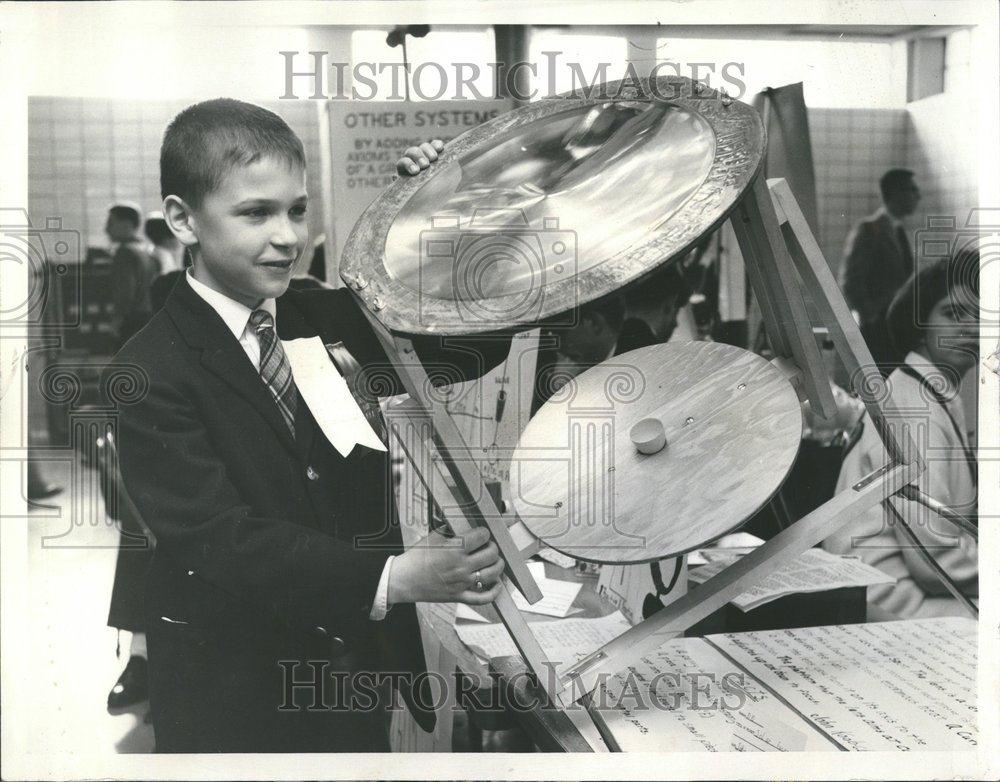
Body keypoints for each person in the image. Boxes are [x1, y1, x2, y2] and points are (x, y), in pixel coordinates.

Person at [107, 99, 509, 752]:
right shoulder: (149, 370)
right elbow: (221, 540)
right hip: (235, 693)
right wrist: (394, 579)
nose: (289, 236)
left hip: (353, 675)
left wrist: (446, 214)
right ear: (183, 219)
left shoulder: (321, 316)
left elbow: (470, 345)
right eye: (255, 212)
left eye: (296, 209)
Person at [824, 253, 978, 618]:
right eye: (954, 314)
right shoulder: (913, 407)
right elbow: (934, 564)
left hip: (895, 590)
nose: (971, 328)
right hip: (888, 601)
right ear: (920, 326)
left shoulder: (924, 391)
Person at [838, 168, 921, 374]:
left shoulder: (899, 230)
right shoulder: (869, 229)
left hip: (896, 326)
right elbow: (850, 281)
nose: (918, 196)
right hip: (877, 328)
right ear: (895, 193)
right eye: (912, 190)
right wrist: (871, 315)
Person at [532, 292, 656, 414]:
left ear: (594, 323)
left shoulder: (645, 361)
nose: (556, 347)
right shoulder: (551, 365)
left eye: (561, 334)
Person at [105, 203, 160, 349]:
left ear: (127, 225)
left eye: (111, 223)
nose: (106, 229)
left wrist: (116, 320)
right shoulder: (146, 249)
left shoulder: (124, 252)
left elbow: (125, 291)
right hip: (148, 316)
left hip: (131, 319)